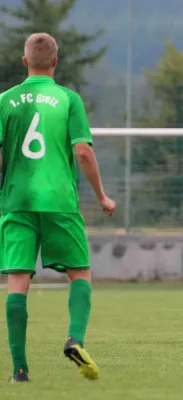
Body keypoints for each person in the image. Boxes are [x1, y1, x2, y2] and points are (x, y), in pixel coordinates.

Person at [0, 33, 116, 383]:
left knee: (17, 280)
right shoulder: (68, 99)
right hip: (59, 201)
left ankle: (20, 370)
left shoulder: (4, 100)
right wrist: (100, 196)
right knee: (79, 273)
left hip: (17, 200)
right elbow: (82, 152)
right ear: (55, 61)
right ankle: (74, 339)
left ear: (25, 62)